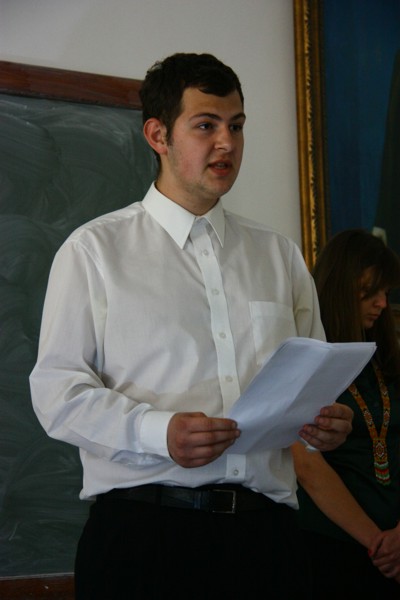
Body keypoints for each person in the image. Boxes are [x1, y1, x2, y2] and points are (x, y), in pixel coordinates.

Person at [29, 52, 352, 600]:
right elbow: (57, 393)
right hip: (145, 538)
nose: (226, 143)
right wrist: (159, 432)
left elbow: (310, 381)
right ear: (158, 135)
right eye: (206, 126)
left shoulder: (279, 255)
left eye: (236, 126)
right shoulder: (94, 251)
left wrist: (324, 423)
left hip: (268, 541)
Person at [292, 229, 400, 599]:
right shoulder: (307, 359)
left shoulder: (386, 361)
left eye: (386, 292)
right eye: (371, 291)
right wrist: (379, 545)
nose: (382, 303)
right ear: (341, 287)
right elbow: (307, 468)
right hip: (332, 548)